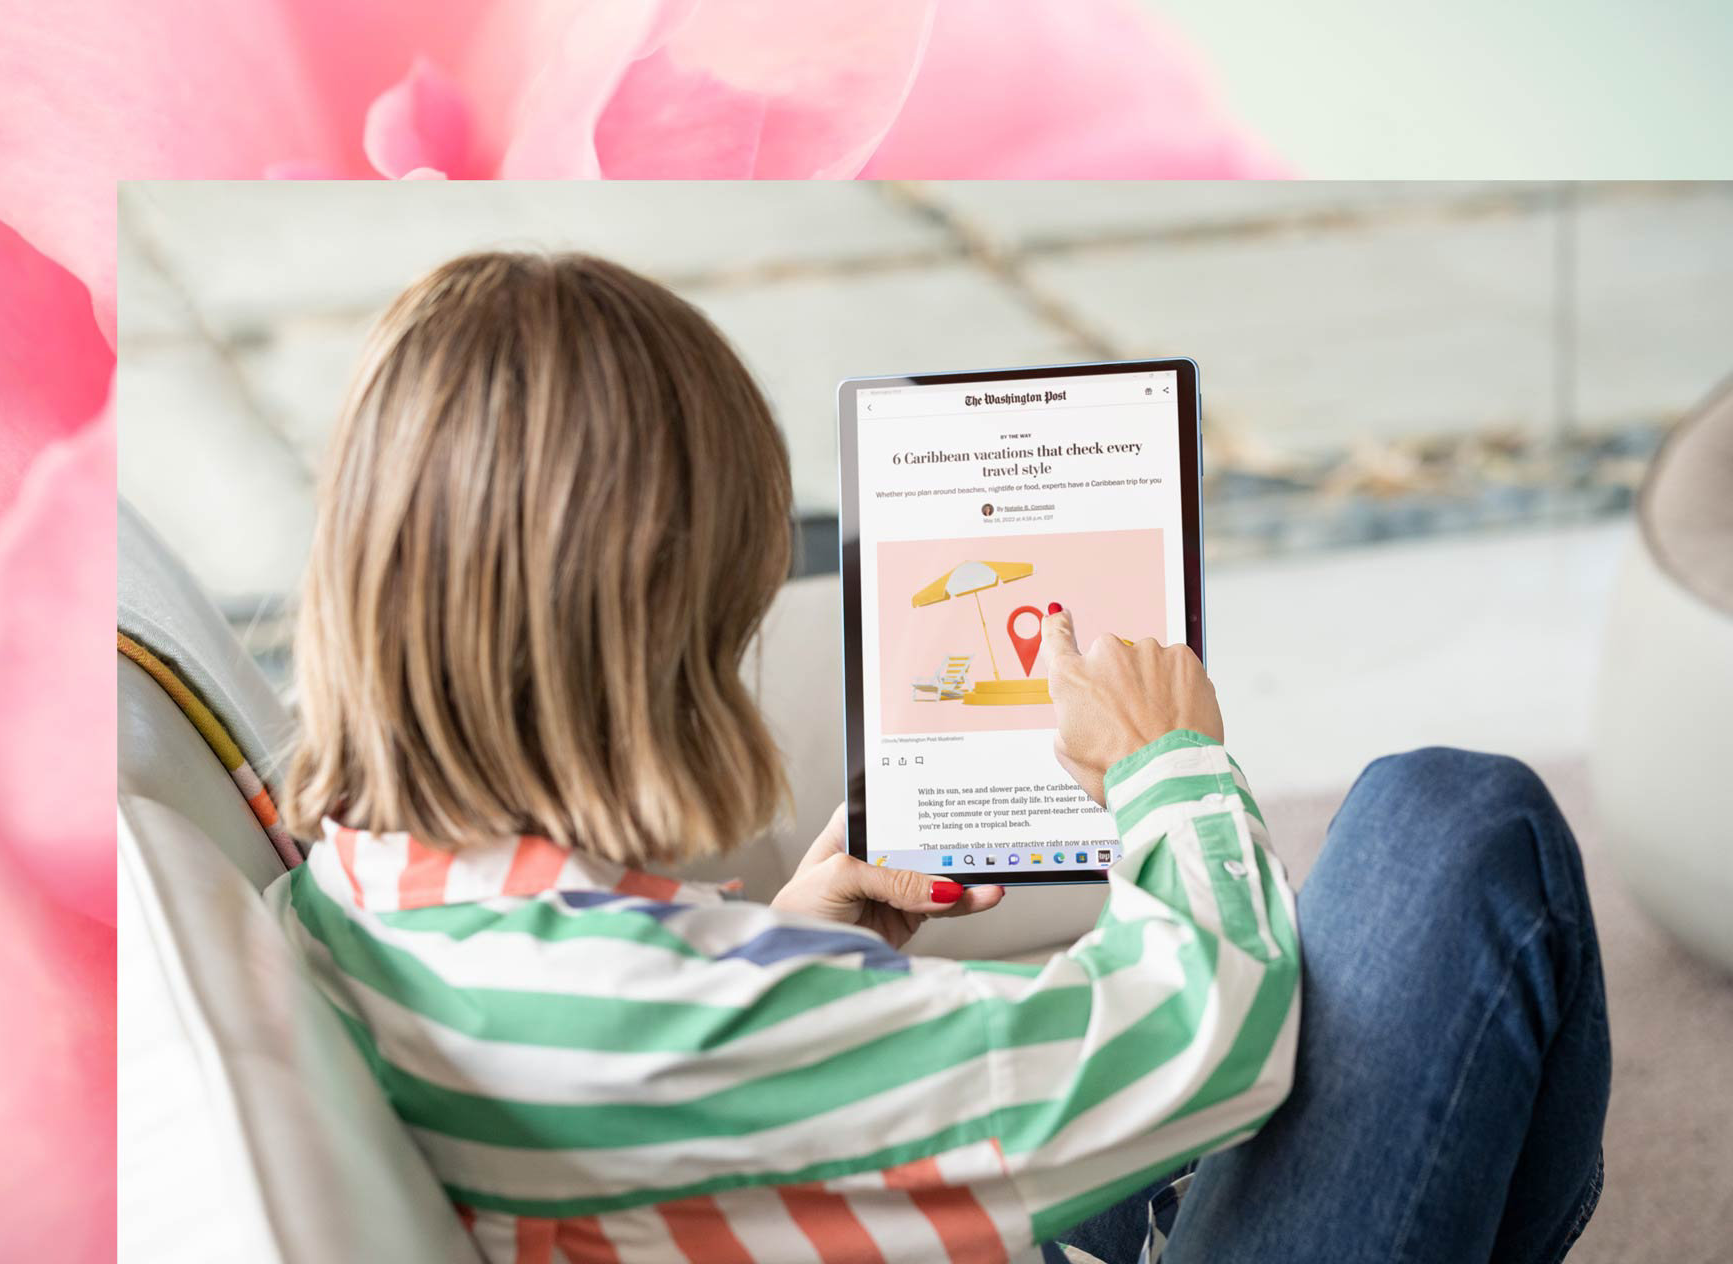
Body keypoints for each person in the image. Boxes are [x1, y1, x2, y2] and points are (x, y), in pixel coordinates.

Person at [275, 252, 1608, 1264]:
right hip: (1153, 1075)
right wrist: (1171, 765)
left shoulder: (361, 882)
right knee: (1460, 821)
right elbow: (1217, 1042)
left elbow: (678, 1089)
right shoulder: (652, 1019)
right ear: (646, 642)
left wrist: (789, 948)